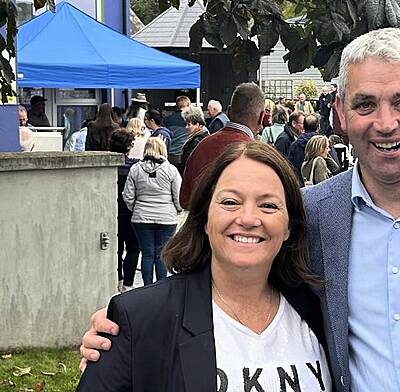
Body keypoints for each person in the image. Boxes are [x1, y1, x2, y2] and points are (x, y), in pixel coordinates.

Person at [81, 28, 400, 391]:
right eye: (364, 104)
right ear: (339, 113)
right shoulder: (307, 216)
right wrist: (130, 329)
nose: (384, 122)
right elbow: (235, 273)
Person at [76, 142, 330, 391]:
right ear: (205, 219)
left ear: (288, 227)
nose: (249, 219)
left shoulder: (321, 310)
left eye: (268, 205)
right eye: (230, 202)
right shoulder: (140, 318)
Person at [180, 83, 265, 209]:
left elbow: (184, 200)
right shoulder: (256, 154)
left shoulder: (201, 146)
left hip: (201, 224)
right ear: (261, 117)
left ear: (229, 111)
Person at [122, 137, 182, 285]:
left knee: (147, 255)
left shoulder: (135, 169)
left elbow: (128, 195)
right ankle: (161, 287)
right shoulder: (171, 170)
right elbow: (178, 195)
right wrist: (177, 210)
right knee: (161, 255)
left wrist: (136, 208)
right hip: (166, 218)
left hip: (141, 218)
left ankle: (147, 287)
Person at [108, 129, 141, 293]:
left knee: (116, 247)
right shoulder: (135, 166)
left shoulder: (107, 166)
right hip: (130, 211)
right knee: (134, 247)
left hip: (111, 210)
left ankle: (117, 277)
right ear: (129, 146)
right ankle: (127, 282)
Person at [287, 114, 320, 182]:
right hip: (321, 184)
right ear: (318, 127)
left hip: (300, 184)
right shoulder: (324, 143)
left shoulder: (294, 145)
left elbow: (289, 166)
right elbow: (336, 167)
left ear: (304, 127)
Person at [179, 106, 210, 173]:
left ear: (198, 124)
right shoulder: (203, 136)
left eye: (189, 124)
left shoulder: (197, 141)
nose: (186, 127)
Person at [163, 96, 191, 167]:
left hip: (169, 155)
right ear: (188, 104)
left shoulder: (168, 119)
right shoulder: (191, 119)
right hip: (184, 154)